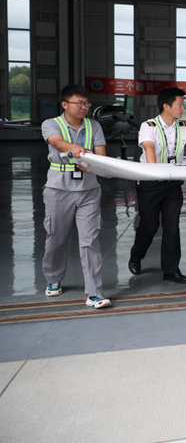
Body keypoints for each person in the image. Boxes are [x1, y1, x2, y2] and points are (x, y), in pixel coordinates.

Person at [130, 87, 186, 283]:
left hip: (173, 184)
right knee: (149, 225)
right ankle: (136, 257)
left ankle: (171, 270)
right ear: (166, 106)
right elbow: (149, 148)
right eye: (180, 104)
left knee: (172, 226)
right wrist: (154, 172)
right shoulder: (148, 126)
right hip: (150, 183)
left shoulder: (183, 127)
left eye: (183, 104)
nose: (183, 108)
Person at [41, 85, 111, 309]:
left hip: (89, 190)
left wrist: (94, 164)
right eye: (79, 103)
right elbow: (56, 142)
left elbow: (101, 154)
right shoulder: (51, 124)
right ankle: (53, 278)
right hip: (58, 190)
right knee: (56, 237)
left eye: (86, 103)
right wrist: (76, 149)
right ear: (65, 104)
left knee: (90, 241)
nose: (84, 107)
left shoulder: (94, 126)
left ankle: (94, 293)